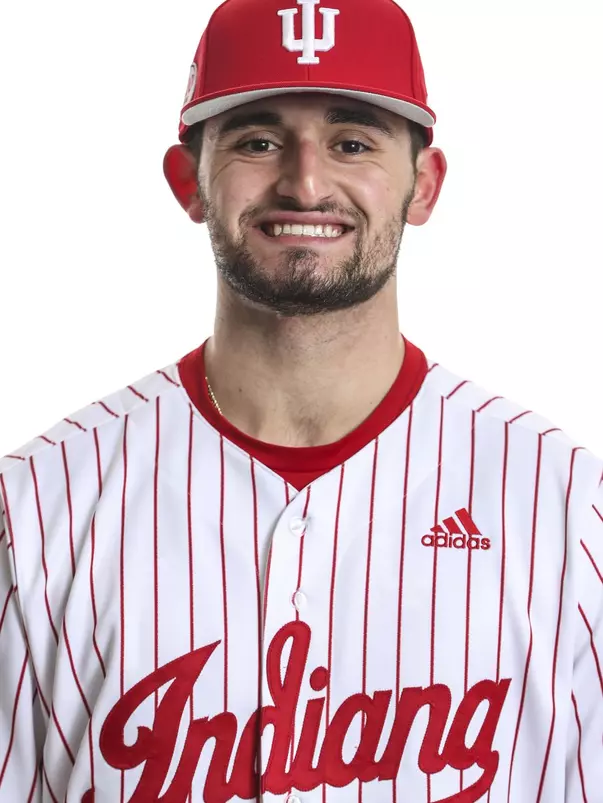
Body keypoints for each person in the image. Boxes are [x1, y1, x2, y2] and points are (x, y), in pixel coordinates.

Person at [0, 0, 601, 800]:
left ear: (423, 186)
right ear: (188, 182)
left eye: (352, 142)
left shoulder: (566, 508)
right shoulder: (39, 505)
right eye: (257, 141)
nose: (305, 182)